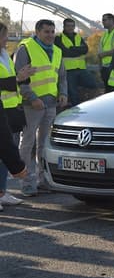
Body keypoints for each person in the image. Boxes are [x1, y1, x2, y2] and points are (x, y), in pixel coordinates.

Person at [15, 19, 68, 197]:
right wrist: (32, 98)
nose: (51, 35)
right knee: (28, 143)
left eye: (53, 31)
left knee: (45, 144)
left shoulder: (58, 51)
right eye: (47, 32)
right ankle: (26, 183)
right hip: (32, 104)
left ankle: (44, 180)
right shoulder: (26, 48)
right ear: (37, 32)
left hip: (51, 103)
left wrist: (63, 93)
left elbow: (62, 77)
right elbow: (19, 78)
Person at [0, 22, 32, 210]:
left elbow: (13, 80)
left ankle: (2, 192)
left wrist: (23, 76)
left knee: (5, 152)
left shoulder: (5, 55)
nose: (7, 39)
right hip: (4, 110)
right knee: (5, 149)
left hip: (11, 109)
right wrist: (17, 79)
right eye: (4, 35)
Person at [54, 18, 99, 106]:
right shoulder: (58, 38)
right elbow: (64, 52)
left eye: (72, 26)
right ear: (64, 26)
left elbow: (85, 49)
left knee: (93, 84)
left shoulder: (78, 37)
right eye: (68, 26)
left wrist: (72, 49)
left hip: (81, 69)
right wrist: (78, 50)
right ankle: (75, 111)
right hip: (68, 70)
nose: (70, 28)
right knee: (73, 93)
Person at [98, 13, 114, 89]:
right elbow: (99, 53)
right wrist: (100, 68)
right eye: (102, 20)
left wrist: (104, 54)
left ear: (111, 20)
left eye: (104, 20)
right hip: (105, 68)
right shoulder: (105, 34)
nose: (102, 22)